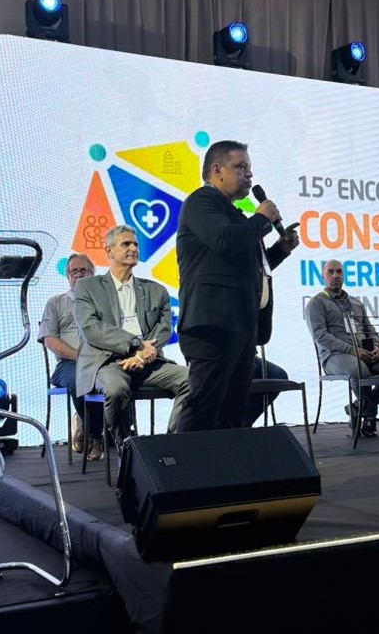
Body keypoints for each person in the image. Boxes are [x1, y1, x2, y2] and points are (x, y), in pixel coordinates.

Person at [176, 140, 299, 432]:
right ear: (217, 171)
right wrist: (262, 219)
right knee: (204, 406)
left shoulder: (234, 215)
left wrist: (280, 250)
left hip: (239, 325)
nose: (249, 174)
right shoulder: (202, 202)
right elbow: (226, 241)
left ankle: (224, 459)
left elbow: (248, 268)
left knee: (232, 410)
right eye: (240, 167)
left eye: (249, 168)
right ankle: (182, 460)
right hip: (213, 323)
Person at [74, 225, 190, 451]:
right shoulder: (87, 287)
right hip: (107, 362)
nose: (133, 248)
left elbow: (164, 328)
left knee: (193, 379)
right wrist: (135, 346)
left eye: (135, 244)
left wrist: (143, 356)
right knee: (116, 389)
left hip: (148, 361)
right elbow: (91, 328)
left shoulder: (156, 290)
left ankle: (171, 447)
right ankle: (128, 451)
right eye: (126, 244)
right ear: (109, 251)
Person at [306, 259, 379, 436]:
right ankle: (369, 416)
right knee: (359, 370)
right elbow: (320, 336)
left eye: (339, 272)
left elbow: (371, 331)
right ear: (323, 276)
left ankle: (356, 408)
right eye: (331, 272)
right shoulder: (317, 303)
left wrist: (376, 346)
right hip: (335, 356)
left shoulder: (356, 303)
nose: (335, 276)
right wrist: (351, 350)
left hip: (365, 353)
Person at [39, 252, 105, 460]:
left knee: (118, 378)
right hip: (69, 363)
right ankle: (95, 436)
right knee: (81, 377)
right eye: (74, 271)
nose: (79, 274)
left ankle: (104, 428)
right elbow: (50, 340)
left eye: (83, 270)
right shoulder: (56, 303)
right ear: (68, 276)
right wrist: (82, 357)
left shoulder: (105, 303)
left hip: (102, 361)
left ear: (93, 274)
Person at [243, 354, 289, 428]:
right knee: (252, 373)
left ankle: (245, 422)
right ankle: (241, 424)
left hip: (249, 355)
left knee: (279, 376)